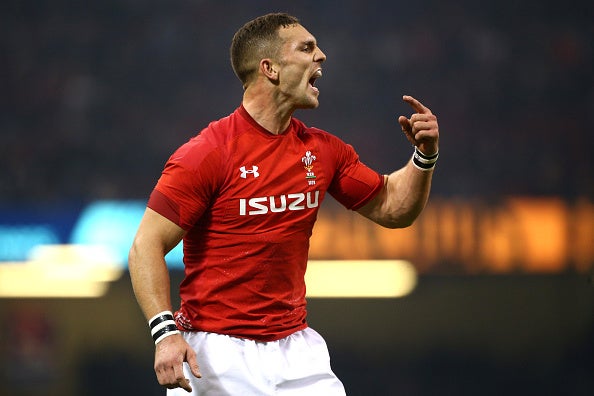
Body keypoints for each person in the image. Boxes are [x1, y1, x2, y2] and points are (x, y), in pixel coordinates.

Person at [129, 12, 439, 395]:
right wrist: (165, 335)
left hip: (296, 352)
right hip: (214, 353)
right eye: (307, 48)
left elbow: (394, 207)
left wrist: (424, 156)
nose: (321, 56)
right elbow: (146, 245)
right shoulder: (207, 153)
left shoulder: (324, 151)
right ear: (270, 68)